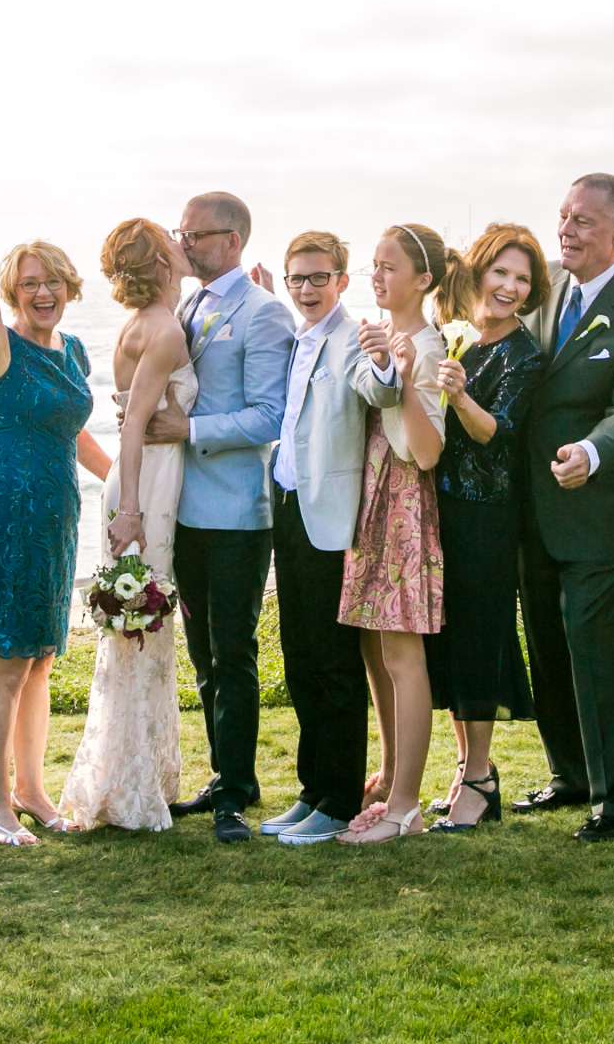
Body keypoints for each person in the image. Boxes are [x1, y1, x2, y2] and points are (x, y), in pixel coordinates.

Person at [0, 177, 111, 845]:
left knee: (43, 659)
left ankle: (32, 789)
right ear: (14, 294)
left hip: (58, 514)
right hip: (9, 513)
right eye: (29, 284)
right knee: (10, 660)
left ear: (70, 288)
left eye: (53, 283)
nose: (42, 293)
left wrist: (127, 487)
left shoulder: (70, 351)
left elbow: (74, 433)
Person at [515, 174, 614, 842]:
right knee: (548, 649)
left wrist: (590, 451)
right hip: (531, 507)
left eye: (582, 220)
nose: (566, 231)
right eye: (562, 218)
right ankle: (571, 776)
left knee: (597, 653)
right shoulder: (541, 289)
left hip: (596, 508)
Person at [141, 192, 294, 845]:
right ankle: (226, 776)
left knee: (233, 652)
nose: (184, 244)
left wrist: (189, 428)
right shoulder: (189, 305)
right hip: (185, 509)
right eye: (181, 233)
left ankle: (236, 788)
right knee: (203, 652)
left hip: (237, 511)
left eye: (195, 235)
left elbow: (270, 415)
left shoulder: (263, 315)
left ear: (231, 240)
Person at [61, 220, 196, 833]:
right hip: (148, 482)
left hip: (146, 478)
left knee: (144, 630)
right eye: (172, 243)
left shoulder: (146, 322)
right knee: (141, 625)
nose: (182, 244)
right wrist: (133, 511)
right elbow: (134, 425)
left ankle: (146, 776)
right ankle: (129, 785)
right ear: (162, 264)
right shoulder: (163, 329)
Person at [336, 224, 457, 845]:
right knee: (377, 650)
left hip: (405, 500)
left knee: (404, 655)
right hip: (377, 497)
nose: (378, 277)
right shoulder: (389, 337)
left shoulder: (427, 346)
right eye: (374, 267)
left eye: (389, 267)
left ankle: (405, 805)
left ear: (424, 279)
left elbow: (428, 450)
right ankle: (387, 778)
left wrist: (406, 376)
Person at [426, 223, 547, 835]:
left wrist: (460, 396)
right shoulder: (461, 339)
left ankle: (477, 777)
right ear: (478, 272)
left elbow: (494, 432)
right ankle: (469, 770)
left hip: (487, 517)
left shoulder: (524, 354)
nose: (510, 287)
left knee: (478, 642)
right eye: (501, 273)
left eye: (522, 279)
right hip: (441, 509)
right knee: (447, 640)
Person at [258, 230, 373, 845]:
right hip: (286, 507)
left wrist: (385, 360)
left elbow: (376, 388)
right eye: (296, 278)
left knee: (333, 662)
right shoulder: (298, 337)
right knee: (299, 655)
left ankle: (340, 797)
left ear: (342, 282)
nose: (306, 289)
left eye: (318, 278)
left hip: (330, 516)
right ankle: (311, 791)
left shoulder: (354, 338)